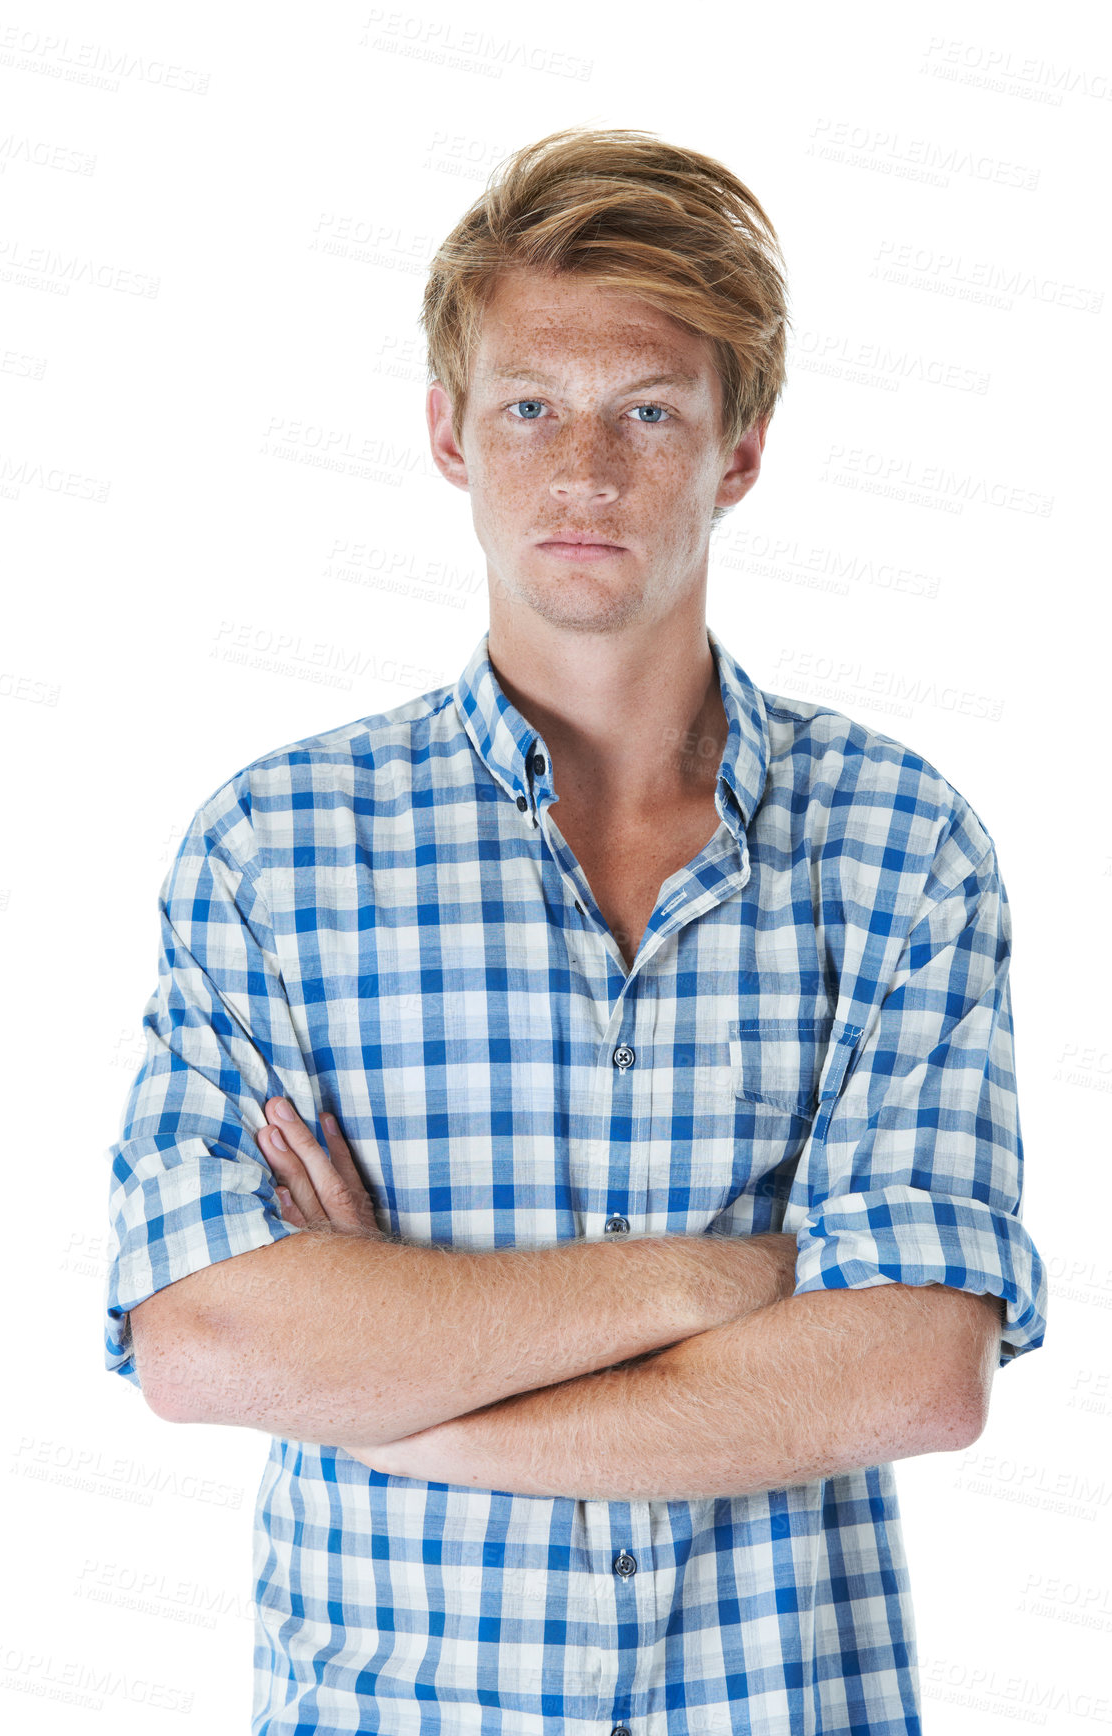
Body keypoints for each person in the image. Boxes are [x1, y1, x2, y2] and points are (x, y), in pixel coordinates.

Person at [105, 126, 1047, 1736]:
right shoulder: (281, 848)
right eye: (530, 406)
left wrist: (405, 1392)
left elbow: (909, 1373)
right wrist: (731, 1278)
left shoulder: (900, 846)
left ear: (741, 451)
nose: (586, 473)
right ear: (447, 435)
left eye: (650, 412)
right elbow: (206, 1339)